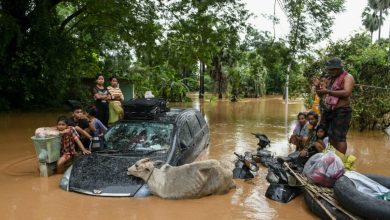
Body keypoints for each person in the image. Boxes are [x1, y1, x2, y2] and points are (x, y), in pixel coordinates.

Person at [316, 57, 355, 154]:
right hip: (330, 110)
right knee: (330, 136)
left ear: (339, 68)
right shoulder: (330, 79)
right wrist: (317, 87)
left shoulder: (348, 77)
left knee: (340, 138)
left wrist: (328, 91)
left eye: (333, 69)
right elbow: (321, 94)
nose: (331, 71)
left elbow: (347, 93)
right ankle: (330, 157)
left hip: (342, 111)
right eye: (330, 69)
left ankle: (341, 161)